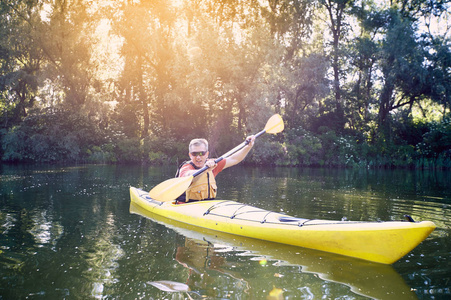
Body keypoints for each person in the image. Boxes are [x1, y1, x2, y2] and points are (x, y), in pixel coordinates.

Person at [176, 136, 255, 203]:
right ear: (190, 155)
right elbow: (188, 175)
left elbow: (234, 159)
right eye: (194, 154)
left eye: (201, 153)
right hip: (186, 206)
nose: (198, 157)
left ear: (207, 154)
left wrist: (248, 146)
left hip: (206, 207)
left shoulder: (212, 164)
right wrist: (205, 170)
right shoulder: (186, 167)